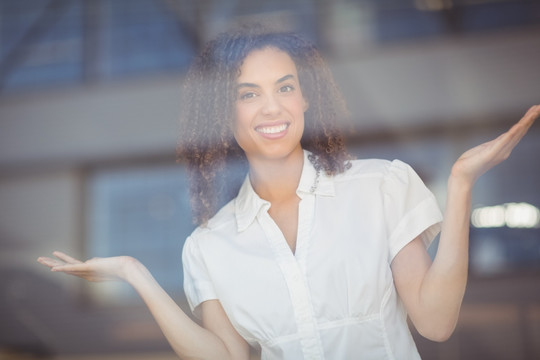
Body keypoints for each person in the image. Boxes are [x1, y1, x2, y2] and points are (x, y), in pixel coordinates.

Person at [38, 27, 539, 360]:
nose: (271, 108)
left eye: (284, 87)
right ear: (223, 113)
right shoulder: (210, 246)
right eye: (247, 93)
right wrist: (136, 274)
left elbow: (435, 322)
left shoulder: (380, 186)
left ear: (305, 97)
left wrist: (460, 185)